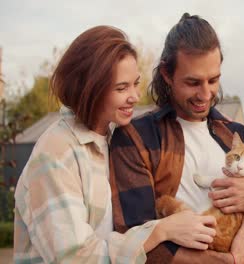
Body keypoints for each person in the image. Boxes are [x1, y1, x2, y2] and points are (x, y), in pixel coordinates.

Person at [110, 13, 244, 263]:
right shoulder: (135, 137)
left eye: (213, 80)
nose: (205, 94)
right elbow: (132, 240)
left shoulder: (234, 133)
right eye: (193, 82)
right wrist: (227, 262)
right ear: (166, 73)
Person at [13, 25, 167, 263]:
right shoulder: (56, 152)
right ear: (91, 89)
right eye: (121, 88)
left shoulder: (114, 137)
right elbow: (75, 257)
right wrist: (160, 231)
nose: (135, 96)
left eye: (135, 83)